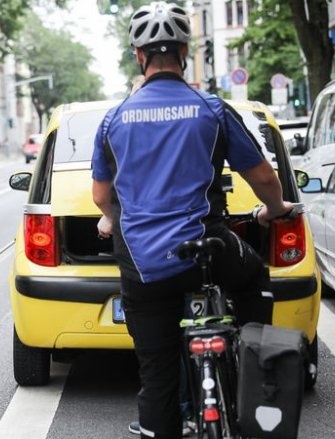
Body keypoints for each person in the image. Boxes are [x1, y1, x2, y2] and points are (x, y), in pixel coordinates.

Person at [91, 2, 292, 438]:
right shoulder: (212, 109)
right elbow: (263, 178)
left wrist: (111, 219)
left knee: (157, 370)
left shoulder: (115, 119)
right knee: (255, 275)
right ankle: (255, 383)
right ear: (185, 50)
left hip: (144, 264)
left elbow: (102, 196)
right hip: (208, 249)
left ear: (139, 56)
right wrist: (272, 210)